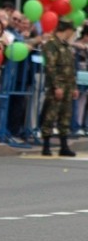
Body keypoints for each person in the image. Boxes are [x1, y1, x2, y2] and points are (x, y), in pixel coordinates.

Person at [41, 19, 78, 157]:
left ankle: (64, 145)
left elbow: (71, 68)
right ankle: (46, 145)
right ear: (67, 30)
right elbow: (50, 67)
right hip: (57, 86)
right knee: (51, 114)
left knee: (65, 115)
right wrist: (56, 86)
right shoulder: (51, 45)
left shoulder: (66, 46)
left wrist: (74, 87)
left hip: (68, 85)